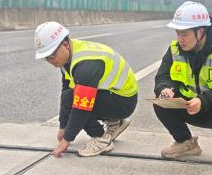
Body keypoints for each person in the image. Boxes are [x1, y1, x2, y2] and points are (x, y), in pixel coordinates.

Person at [153, 1, 212, 168]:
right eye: (178, 33)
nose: (180, 39)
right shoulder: (174, 50)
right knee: (160, 102)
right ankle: (186, 143)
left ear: (201, 32)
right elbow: (163, 77)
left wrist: (203, 101)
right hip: (188, 105)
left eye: (184, 34)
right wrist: (165, 89)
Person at [34, 21, 138, 158]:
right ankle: (115, 121)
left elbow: (81, 106)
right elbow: (66, 91)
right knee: (68, 96)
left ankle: (102, 139)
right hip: (113, 96)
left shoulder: (86, 64)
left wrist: (67, 140)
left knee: (77, 101)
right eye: (45, 58)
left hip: (123, 102)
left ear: (65, 45)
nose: (50, 61)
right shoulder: (68, 56)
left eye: (52, 56)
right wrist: (63, 126)